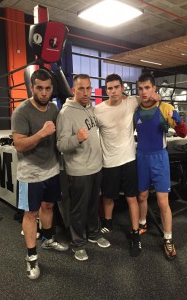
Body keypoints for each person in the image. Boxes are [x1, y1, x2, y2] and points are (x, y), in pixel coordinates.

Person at [11, 69, 69, 280]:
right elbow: (19, 145)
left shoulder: (54, 108)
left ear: (52, 89)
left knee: (48, 206)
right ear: (32, 88)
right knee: (30, 214)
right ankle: (31, 256)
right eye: (39, 88)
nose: (44, 93)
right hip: (30, 174)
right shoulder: (22, 112)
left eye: (47, 88)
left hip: (51, 169)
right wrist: (41, 133)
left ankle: (48, 239)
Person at [94, 73, 159, 257]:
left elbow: (150, 96)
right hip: (109, 162)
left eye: (116, 87)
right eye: (109, 88)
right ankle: (107, 224)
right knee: (108, 197)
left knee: (132, 197)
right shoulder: (98, 110)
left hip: (129, 160)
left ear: (122, 88)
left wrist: (158, 96)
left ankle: (135, 233)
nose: (113, 91)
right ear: (106, 90)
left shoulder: (131, 101)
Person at [56, 74, 110, 261]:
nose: (86, 92)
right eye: (81, 88)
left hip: (96, 167)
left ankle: (94, 234)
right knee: (78, 209)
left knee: (94, 205)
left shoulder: (90, 109)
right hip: (78, 170)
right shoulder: (66, 113)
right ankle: (77, 243)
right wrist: (77, 139)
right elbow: (61, 145)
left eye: (88, 88)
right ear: (73, 90)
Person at [135, 72, 187, 260]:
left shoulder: (166, 107)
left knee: (162, 201)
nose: (143, 92)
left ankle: (168, 238)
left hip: (159, 158)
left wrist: (177, 120)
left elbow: (182, 133)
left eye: (147, 87)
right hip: (141, 157)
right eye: (140, 88)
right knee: (141, 195)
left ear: (154, 88)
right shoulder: (135, 110)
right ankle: (142, 223)